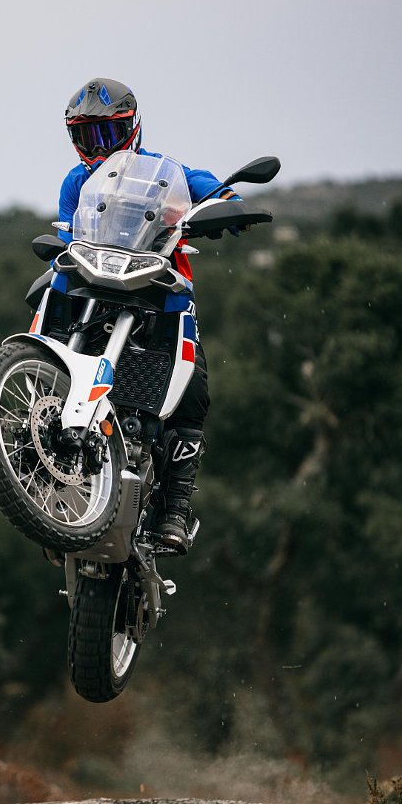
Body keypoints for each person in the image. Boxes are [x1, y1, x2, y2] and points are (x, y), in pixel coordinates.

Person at [57, 78, 237, 553]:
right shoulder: (76, 182)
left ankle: (175, 510)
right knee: (51, 301)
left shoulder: (165, 171)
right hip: (97, 285)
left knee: (193, 385)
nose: (97, 148)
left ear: (132, 129)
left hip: (160, 289)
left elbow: (209, 188)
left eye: (106, 135)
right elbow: (64, 229)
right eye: (86, 137)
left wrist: (228, 205)